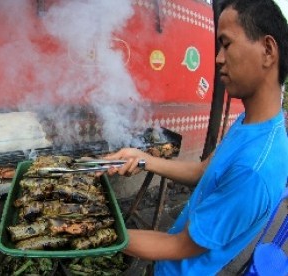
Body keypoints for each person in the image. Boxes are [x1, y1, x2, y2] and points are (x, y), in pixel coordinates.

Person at [101, 0, 288, 274]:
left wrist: (95, 234)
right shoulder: (250, 123)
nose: (218, 58)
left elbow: (179, 246)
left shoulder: (254, 168)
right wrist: (143, 159)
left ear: (268, 51)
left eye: (226, 44)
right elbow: (204, 170)